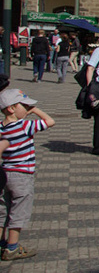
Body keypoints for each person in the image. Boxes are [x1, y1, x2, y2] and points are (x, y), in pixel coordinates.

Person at [0, 88, 55, 261]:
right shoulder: (25, 126)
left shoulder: (1, 127)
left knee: (3, 211)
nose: (28, 109)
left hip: (4, 174)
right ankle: (12, 248)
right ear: (11, 108)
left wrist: (26, 108)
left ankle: (1, 243)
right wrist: (35, 111)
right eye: (25, 106)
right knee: (19, 211)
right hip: (22, 176)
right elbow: (49, 121)